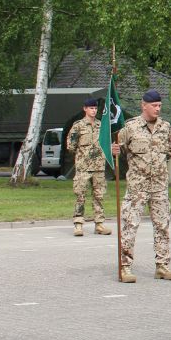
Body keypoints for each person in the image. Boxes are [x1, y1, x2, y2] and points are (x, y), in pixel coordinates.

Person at [112, 89, 171, 282]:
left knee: (162, 226)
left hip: (159, 186)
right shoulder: (130, 127)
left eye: (159, 106)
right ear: (144, 106)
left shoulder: (165, 127)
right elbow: (118, 149)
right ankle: (125, 267)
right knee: (129, 226)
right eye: (154, 106)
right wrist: (113, 150)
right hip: (137, 188)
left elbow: (170, 151)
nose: (157, 109)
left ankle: (162, 266)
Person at [70, 97, 110, 237]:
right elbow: (70, 145)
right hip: (83, 167)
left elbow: (106, 144)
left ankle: (99, 224)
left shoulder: (102, 125)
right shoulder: (78, 126)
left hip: (99, 167)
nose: (93, 110)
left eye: (95, 108)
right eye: (91, 108)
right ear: (85, 109)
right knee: (80, 196)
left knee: (99, 196)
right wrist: (83, 155)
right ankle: (78, 225)